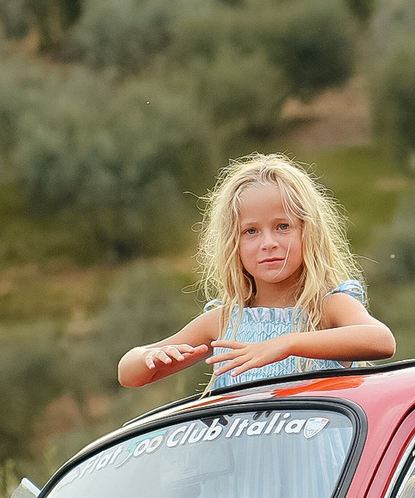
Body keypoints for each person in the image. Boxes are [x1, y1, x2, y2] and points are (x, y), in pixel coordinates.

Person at [119, 154, 395, 394]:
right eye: (251, 231)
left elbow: (381, 341)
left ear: (308, 232)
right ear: (233, 244)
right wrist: (149, 357)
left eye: (283, 226)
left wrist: (287, 344)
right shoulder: (224, 320)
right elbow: (129, 374)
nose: (268, 243)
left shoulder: (327, 308)